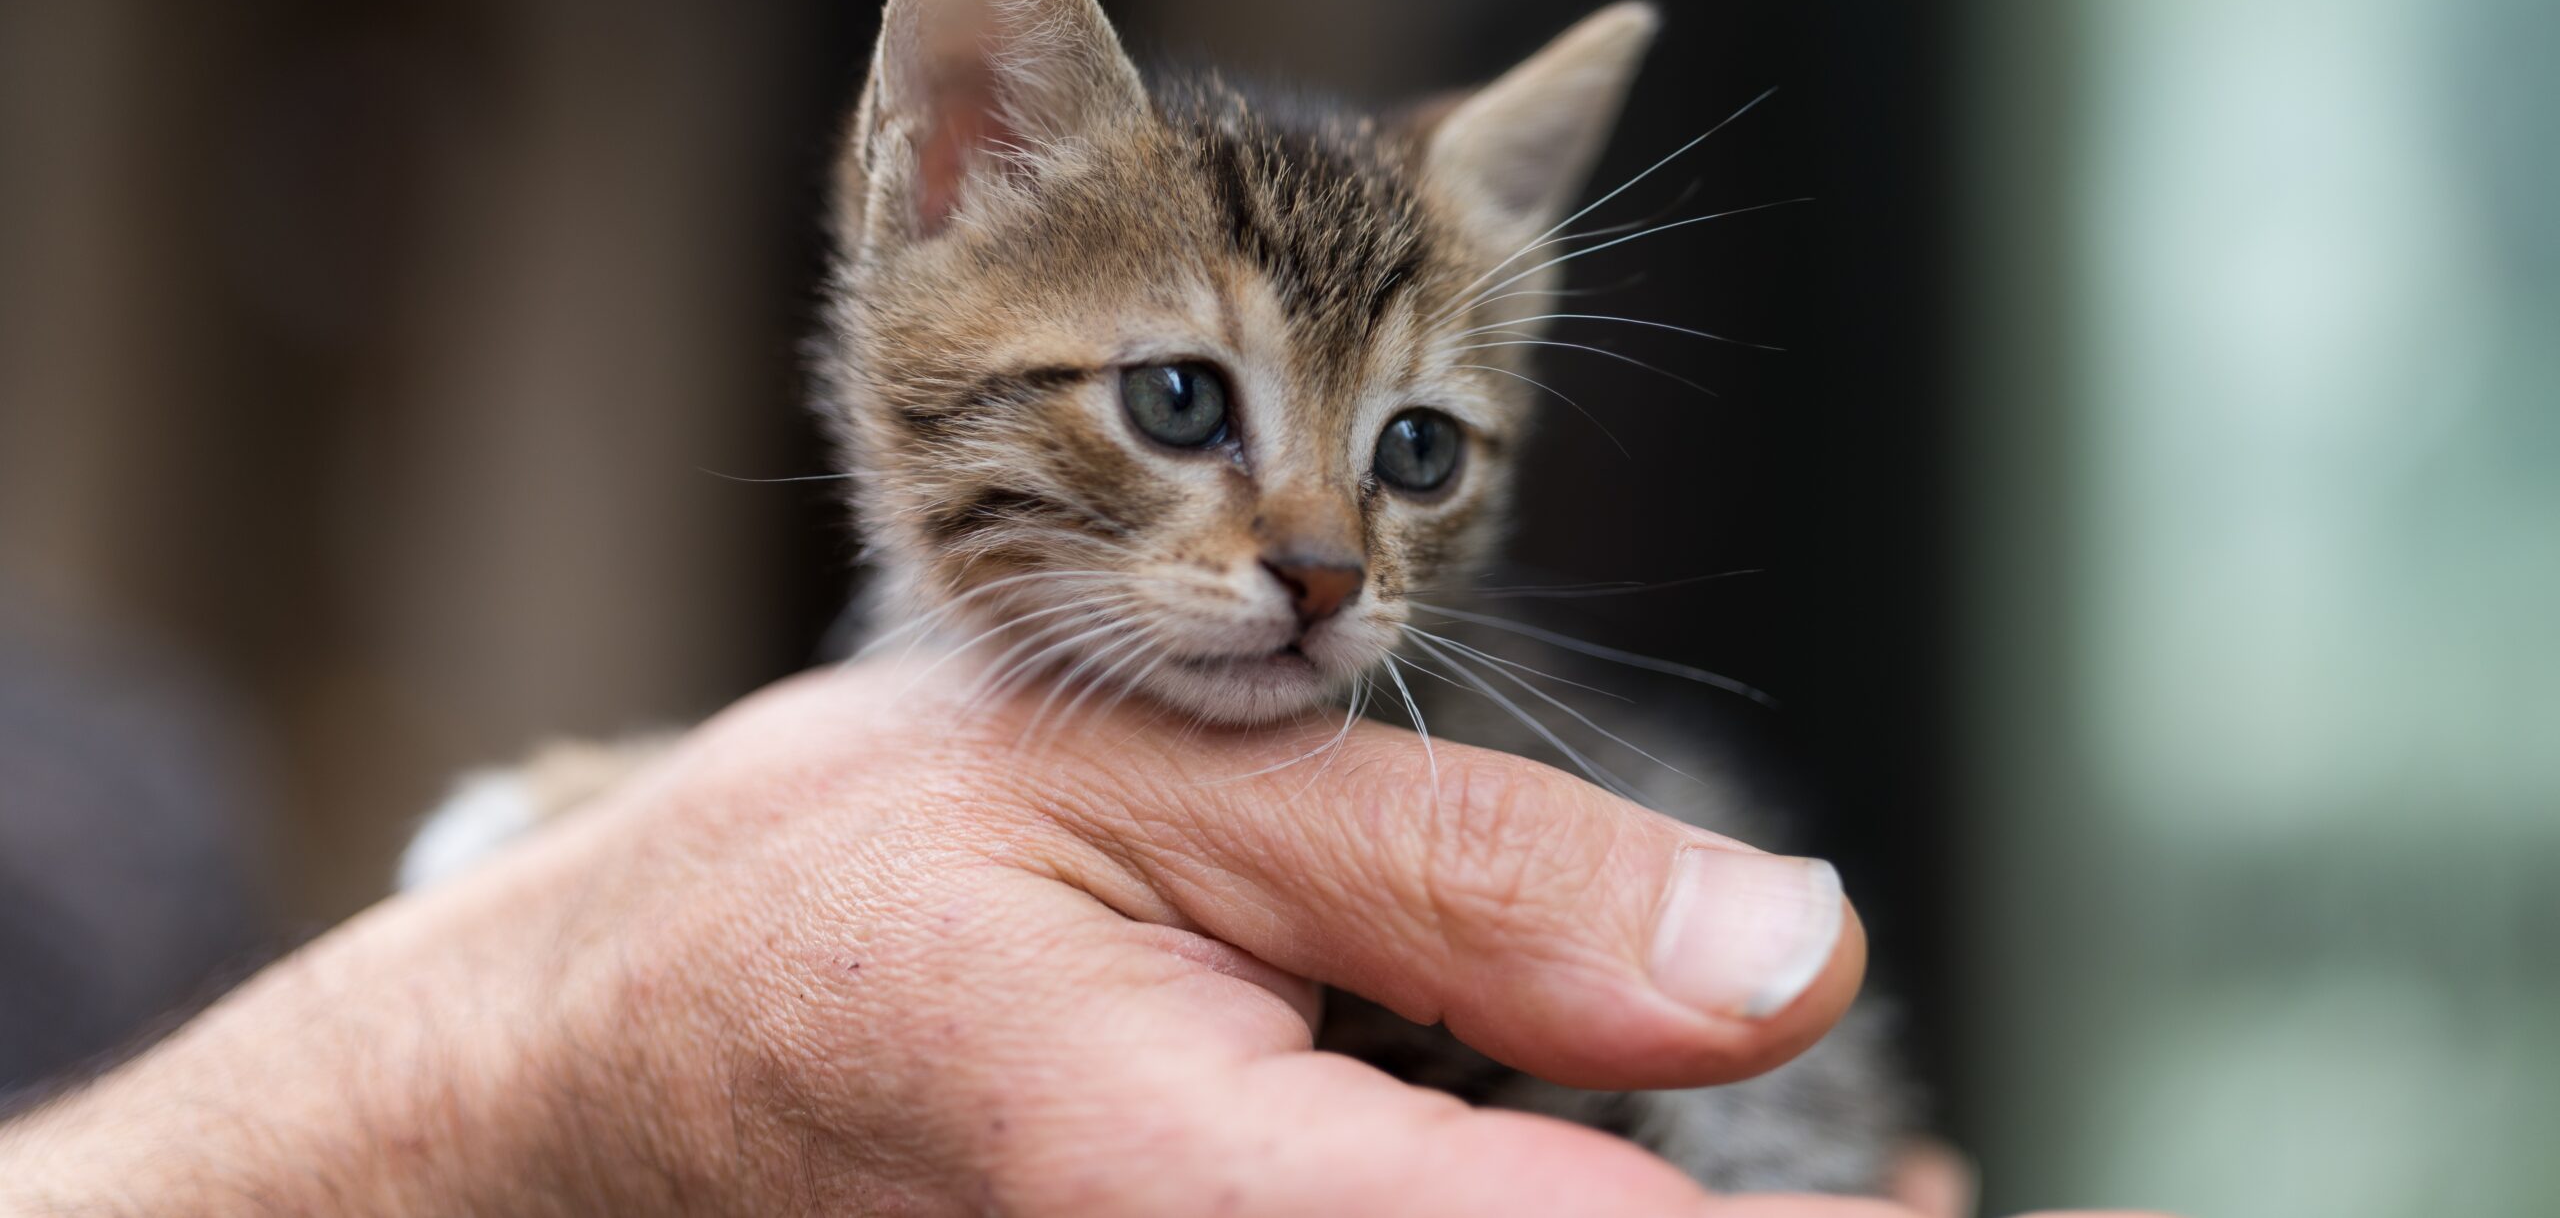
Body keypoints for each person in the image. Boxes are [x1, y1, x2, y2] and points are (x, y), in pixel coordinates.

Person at [0, 657, 2156, 1216]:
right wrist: (511, 1062)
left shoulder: (109, 820)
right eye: (1185, 408)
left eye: (1406, 455)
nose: (1311, 558)